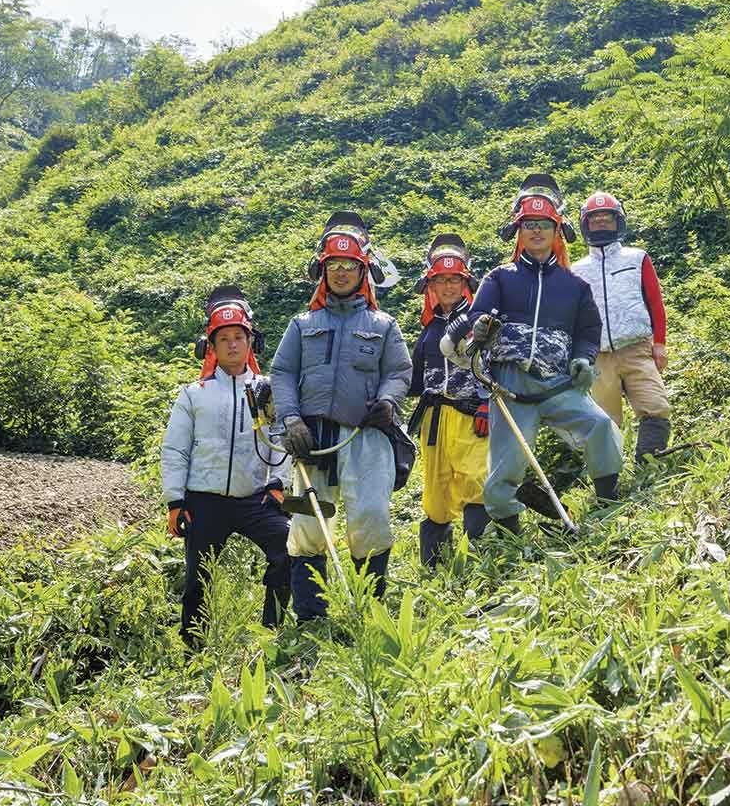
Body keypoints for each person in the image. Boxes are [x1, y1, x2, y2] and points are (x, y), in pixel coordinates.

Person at [444, 174, 623, 533]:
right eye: (529, 225)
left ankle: (608, 505)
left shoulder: (575, 286)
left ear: (558, 231)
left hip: (559, 384)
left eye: (544, 225)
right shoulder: (500, 277)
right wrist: (479, 328)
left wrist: (584, 359)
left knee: (601, 425)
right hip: (510, 388)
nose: (537, 232)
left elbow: (588, 332)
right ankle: (512, 534)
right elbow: (479, 314)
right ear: (519, 232)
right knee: (506, 468)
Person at [270, 215, 412, 619]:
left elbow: (399, 371)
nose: (342, 274)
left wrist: (387, 401)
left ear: (363, 271)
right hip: (311, 439)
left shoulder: (384, 325)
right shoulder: (302, 324)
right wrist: (291, 420)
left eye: (350, 267)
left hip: (365, 436)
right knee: (308, 528)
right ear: (323, 272)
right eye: (335, 267)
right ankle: (312, 616)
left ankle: (371, 610)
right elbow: (282, 373)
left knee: (370, 517)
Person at [161, 287, 291, 649]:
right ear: (211, 347)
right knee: (197, 578)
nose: (232, 345)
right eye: (224, 339)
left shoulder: (267, 390)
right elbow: (175, 449)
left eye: (239, 337)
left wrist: (278, 482)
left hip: (255, 498)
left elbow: (280, 440)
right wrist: (175, 501)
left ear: (252, 342)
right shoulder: (193, 394)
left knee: (287, 549)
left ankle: (272, 631)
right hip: (204, 500)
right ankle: (192, 647)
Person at [409, 233, 491, 565]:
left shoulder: (480, 320)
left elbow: (495, 361)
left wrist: (488, 402)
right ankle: (435, 569)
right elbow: (413, 380)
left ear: (465, 281)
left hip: (472, 413)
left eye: (454, 279)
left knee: (475, 481)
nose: (448, 287)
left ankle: (482, 560)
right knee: (436, 493)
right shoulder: (428, 330)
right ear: (431, 286)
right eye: (440, 281)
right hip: (434, 418)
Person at [572, 190, 671, 463]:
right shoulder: (577, 270)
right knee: (605, 421)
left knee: (655, 407)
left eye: (607, 218)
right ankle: (610, 482)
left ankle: (649, 468)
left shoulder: (637, 258)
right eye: (595, 219)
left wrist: (659, 343)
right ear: (586, 224)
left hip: (637, 348)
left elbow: (655, 302)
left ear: (619, 222)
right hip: (598, 356)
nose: (602, 223)